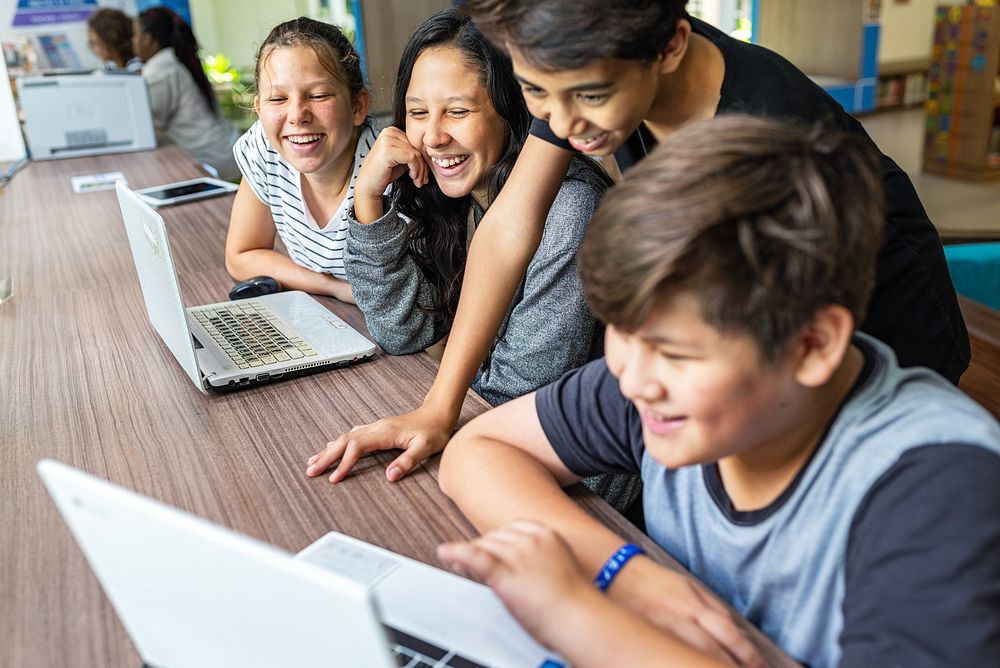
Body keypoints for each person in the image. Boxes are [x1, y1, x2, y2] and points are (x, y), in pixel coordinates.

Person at [436, 116, 1000, 667]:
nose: (630, 378)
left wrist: (577, 618)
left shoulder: (942, 486)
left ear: (813, 345)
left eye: (675, 353)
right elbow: (477, 452)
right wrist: (625, 574)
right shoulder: (662, 385)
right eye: (619, 332)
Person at [306, 9, 639, 508]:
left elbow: (516, 393)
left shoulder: (568, 210)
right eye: (418, 113)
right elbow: (402, 332)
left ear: (512, 110)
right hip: (493, 440)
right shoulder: (459, 200)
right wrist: (368, 202)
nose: (434, 136)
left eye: (457, 111)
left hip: (581, 489)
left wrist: (434, 403)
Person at [226, 18, 377, 303]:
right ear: (258, 108)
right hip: (331, 313)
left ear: (358, 106)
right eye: (277, 99)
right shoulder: (265, 146)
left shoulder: (389, 171)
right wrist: (330, 286)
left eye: (318, 95)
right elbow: (241, 255)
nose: (297, 115)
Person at [132, 7, 239, 180]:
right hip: (225, 150)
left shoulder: (162, 71)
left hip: (213, 162)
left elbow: (148, 128)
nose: (133, 41)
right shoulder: (176, 62)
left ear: (147, 38)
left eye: (135, 35)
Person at [86, 8, 142, 72]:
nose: (95, 49)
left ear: (112, 41)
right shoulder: (111, 68)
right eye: (92, 43)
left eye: (96, 42)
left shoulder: (136, 68)